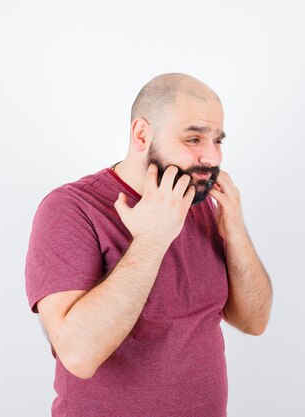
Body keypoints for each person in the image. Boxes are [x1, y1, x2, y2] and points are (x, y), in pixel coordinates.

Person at [24, 73, 273, 417]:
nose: (212, 157)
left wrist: (236, 231)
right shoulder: (71, 209)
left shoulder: (199, 204)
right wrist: (152, 239)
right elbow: (78, 355)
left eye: (218, 140)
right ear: (142, 135)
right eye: (194, 138)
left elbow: (254, 321)